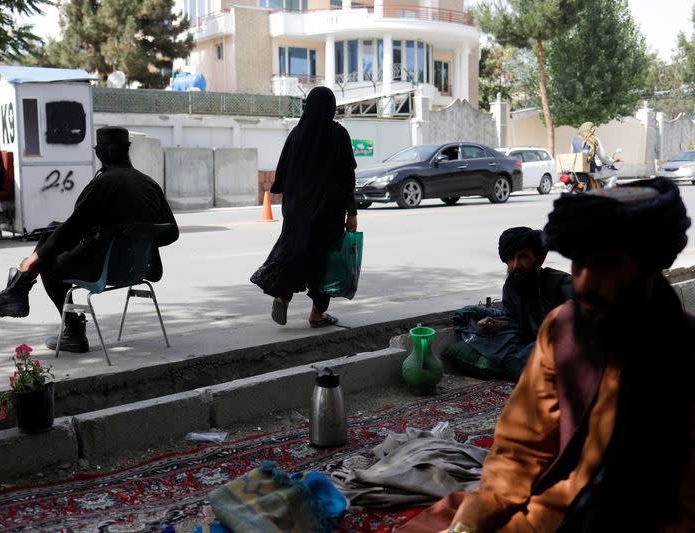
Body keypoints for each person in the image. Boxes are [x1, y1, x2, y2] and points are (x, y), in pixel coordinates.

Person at [397, 178, 695, 533]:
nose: (583, 281)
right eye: (579, 263)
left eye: (603, 265)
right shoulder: (563, 329)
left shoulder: (685, 353)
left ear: (649, 266)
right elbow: (520, 448)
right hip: (548, 507)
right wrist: (473, 522)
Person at [0, 126, 179, 353]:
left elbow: (73, 228)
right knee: (52, 232)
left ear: (98, 153)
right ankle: (17, 291)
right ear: (127, 151)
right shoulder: (149, 184)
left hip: (105, 270)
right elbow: (171, 232)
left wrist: (34, 258)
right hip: (137, 269)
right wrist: (136, 242)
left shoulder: (103, 183)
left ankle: (70, 330)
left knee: (47, 263)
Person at [250, 87, 357, 328]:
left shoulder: (297, 134)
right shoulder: (338, 134)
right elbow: (347, 176)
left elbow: (283, 174)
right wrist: (352, 212)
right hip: (328, 211)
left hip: (297, 210)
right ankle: (317, 314)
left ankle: (283, 295)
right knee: (324, 261)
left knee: (295, 252)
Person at [443, 227, 572, 381]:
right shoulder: (512, 287)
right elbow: (516, 322)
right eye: (510, 258)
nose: (515, 265)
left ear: (539, 258)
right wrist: (497, 324)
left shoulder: (561, 284)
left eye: (523, 257)